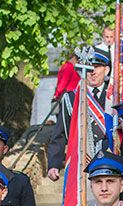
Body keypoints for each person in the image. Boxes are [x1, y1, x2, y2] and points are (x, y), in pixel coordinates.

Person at [47, 48, 112, 182]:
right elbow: (60, 133)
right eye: (88, 66)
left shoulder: (114, 96)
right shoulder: (71, 98)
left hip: (110, 164)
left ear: (106, 70)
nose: (92, 71)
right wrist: (54, 164)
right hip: (81, 165)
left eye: (97, 66)